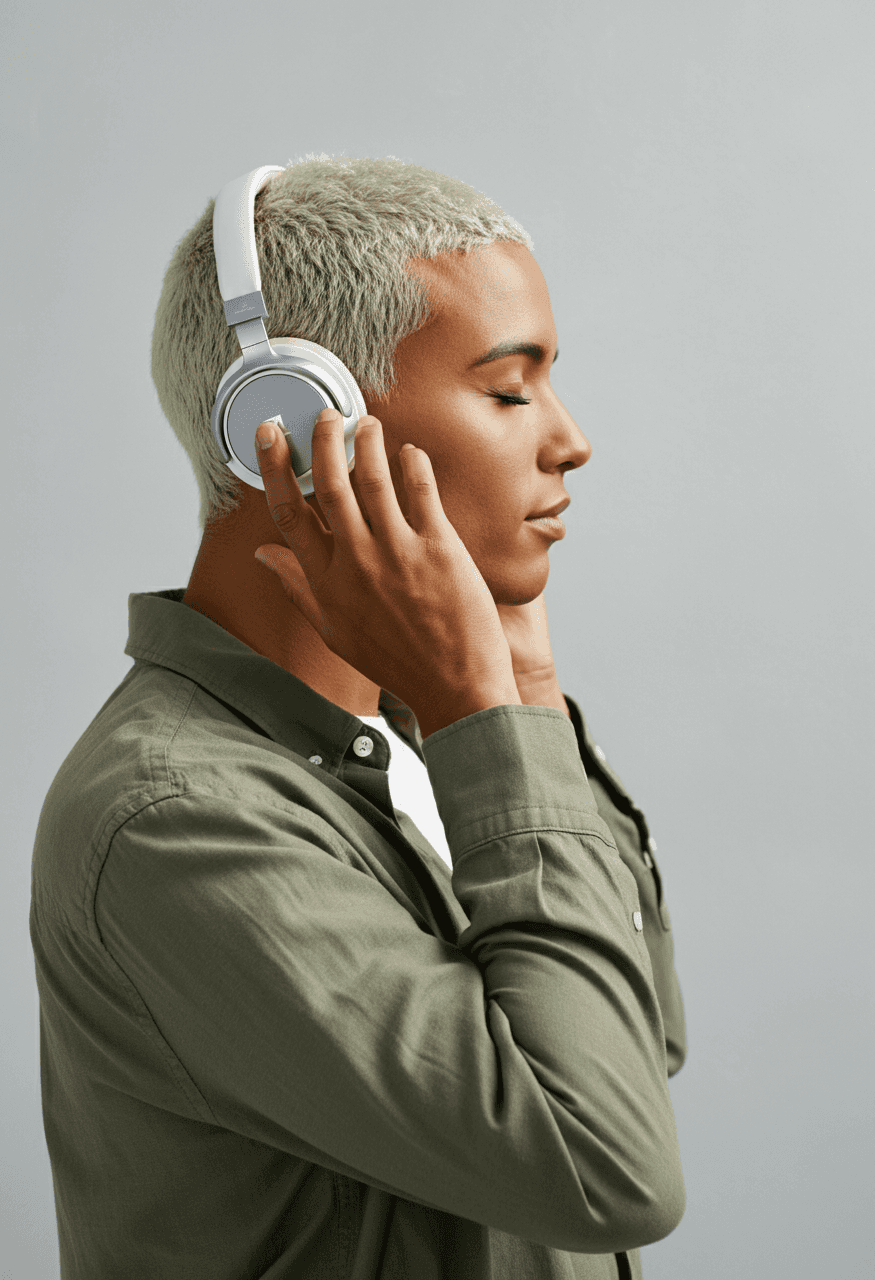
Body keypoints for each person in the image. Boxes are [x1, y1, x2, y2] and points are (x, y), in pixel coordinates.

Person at [30, 155, 687, 1280]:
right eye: (509, 387)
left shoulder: (418, 730)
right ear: (294, 424)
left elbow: (631, 1040)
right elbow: (605, 1160)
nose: (569, 439)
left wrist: (515, 691)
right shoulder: (178, 820)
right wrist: (493, 707)